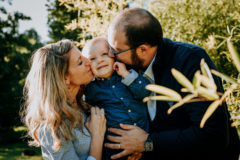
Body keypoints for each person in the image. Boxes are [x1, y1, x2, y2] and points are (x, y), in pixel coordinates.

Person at [105, 7, 240, 160]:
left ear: (142, 49)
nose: (111, 56)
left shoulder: (191, 62)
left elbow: (213, 136)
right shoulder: (125, 69)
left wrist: (148, 143)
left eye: (116, 51)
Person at [21, 39, 106, 160]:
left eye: (83, 56)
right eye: (80, 62)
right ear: (64, 78)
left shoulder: (89, 100)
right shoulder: (53, 126)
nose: (89, 61)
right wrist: (97, 137)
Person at [82, 37, 150, 160]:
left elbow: (145, 92)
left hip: (143, 141)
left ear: (114, 55)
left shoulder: (129, 74)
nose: (100, 60)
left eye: (104, 54)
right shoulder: (91, 89)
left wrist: (125, 75)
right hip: (114, 147)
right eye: (92, 59)